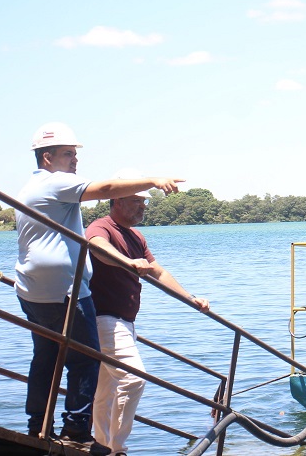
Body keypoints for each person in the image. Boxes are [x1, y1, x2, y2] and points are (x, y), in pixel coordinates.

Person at [15, 122, 183, 455]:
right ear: (47, 158)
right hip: (65, 291)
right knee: (85, 360)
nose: (74, 161)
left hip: (32, 290)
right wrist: (153, 179)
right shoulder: (55, 182)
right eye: (68, 154)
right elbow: (105, 189)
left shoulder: (30, 189)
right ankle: (77, 430)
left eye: (75, 154)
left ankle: (39, 425)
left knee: (46, 358)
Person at [85, 170, 209, 456]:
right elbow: (97, 248)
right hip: (105, 319)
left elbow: (158, 272)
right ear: (116, 200)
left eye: (145, 203)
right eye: (136, 201)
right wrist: (129, 263)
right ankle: (117, 449)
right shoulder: (102, 227)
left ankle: (101, 444)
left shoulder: (135, 236)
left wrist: (191, 298)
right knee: (133, 378)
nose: (142, 207)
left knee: (106, 389)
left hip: (124, 323)